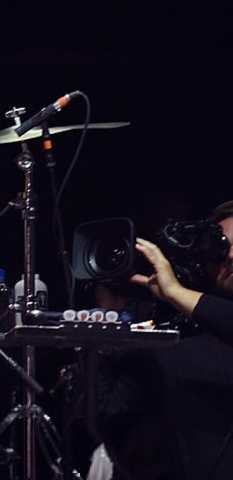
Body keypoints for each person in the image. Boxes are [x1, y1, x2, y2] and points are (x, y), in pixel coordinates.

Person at [90, 199, 233, 480]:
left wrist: (175, 292)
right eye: (222, 246)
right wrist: (102, 332)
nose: (230, 256)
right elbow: (110, 413)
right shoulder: (170, 333)